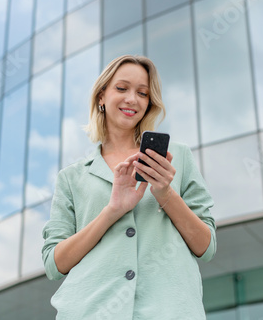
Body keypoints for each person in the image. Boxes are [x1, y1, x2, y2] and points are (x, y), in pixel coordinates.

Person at [42, 55, 216, 319]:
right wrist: (112, 211)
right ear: (101, 97)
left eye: (142, 93)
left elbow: (207, 246)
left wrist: (164, 193)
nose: (132, 99)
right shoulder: (71, 177)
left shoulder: (177, 158)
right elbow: (55, 264)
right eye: (121, 88)